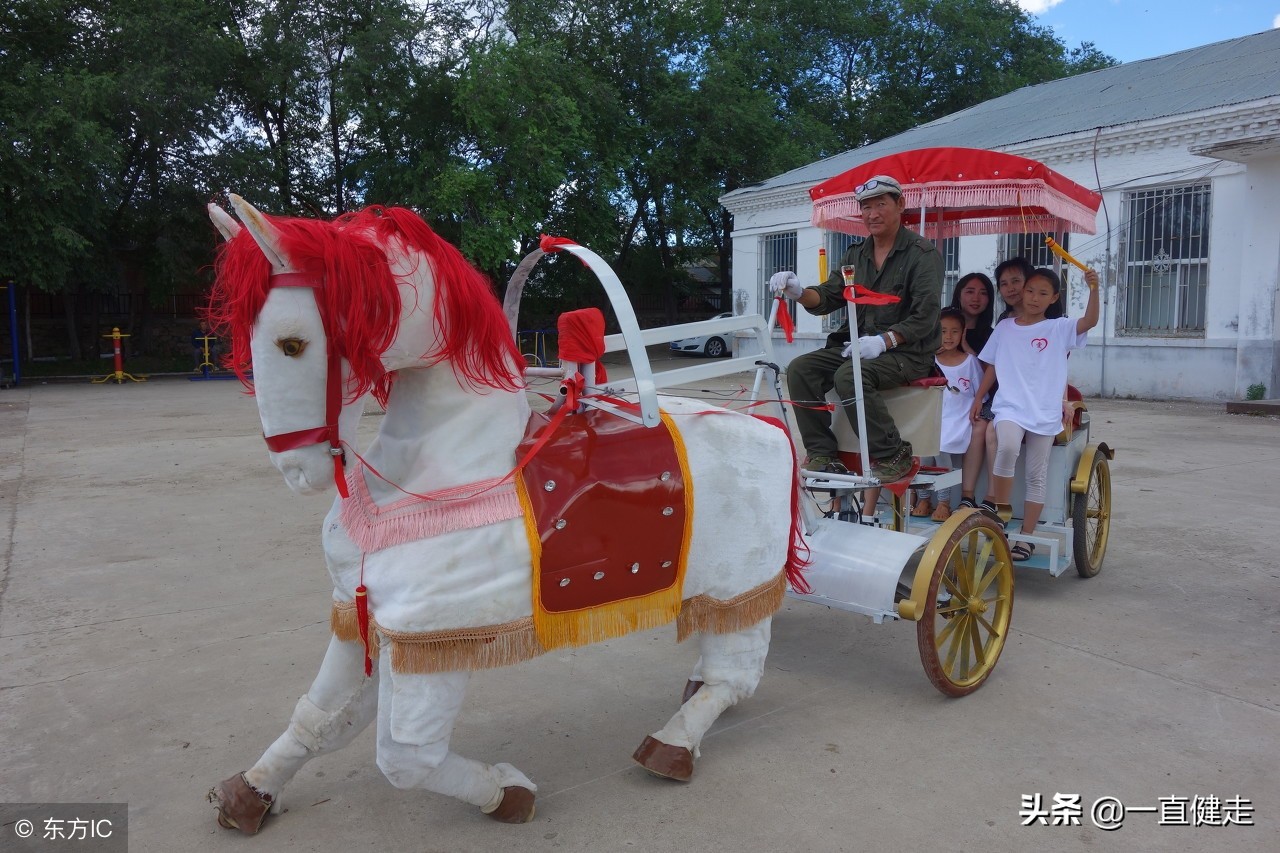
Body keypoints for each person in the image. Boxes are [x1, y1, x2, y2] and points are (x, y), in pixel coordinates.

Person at [770, 174, 942, 485]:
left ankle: (892, 454)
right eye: (865, 207)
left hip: (908, 351)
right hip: (857, 346)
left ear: (900, 205)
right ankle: (823, 453)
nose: (872, 214)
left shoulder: (922, 254)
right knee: (799, 369)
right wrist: (797, 291)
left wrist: (884, 340)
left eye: (880, 205)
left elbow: (926, 316)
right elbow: (826, 297)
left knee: (849, 374)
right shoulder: (855, 255)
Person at [971, 266, 1100, 561]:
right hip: (1010, 407)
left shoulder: (1059, 328)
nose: (1034, 297)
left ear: (1053, 298)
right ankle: (1001, 520)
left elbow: (1090, 320)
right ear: (1022, 291)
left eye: (1043, 293)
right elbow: (991, 364)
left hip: (1043, 410)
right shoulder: (1004, 327)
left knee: (1036, 475)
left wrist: (1094, 288)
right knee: (1007, 448)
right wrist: (979, 398)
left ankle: (1027, 537)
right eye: (1030, 290)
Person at [911, 308, 985, 521]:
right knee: (923, 448)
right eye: (943, 331)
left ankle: (944, 502)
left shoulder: (970, 361)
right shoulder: (928, 361)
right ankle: (924, 498)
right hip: (932, 416)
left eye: (954, 331)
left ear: (963, 333)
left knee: (940, 445)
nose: (949, 336)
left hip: (958, 417)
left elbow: (980, 393)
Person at [951, 272, 995, 356]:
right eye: (970, 292)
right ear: (958, 296)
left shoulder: (993, 337)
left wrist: (969, 352)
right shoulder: (941, 331)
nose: (976, 299)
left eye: (983, 293)